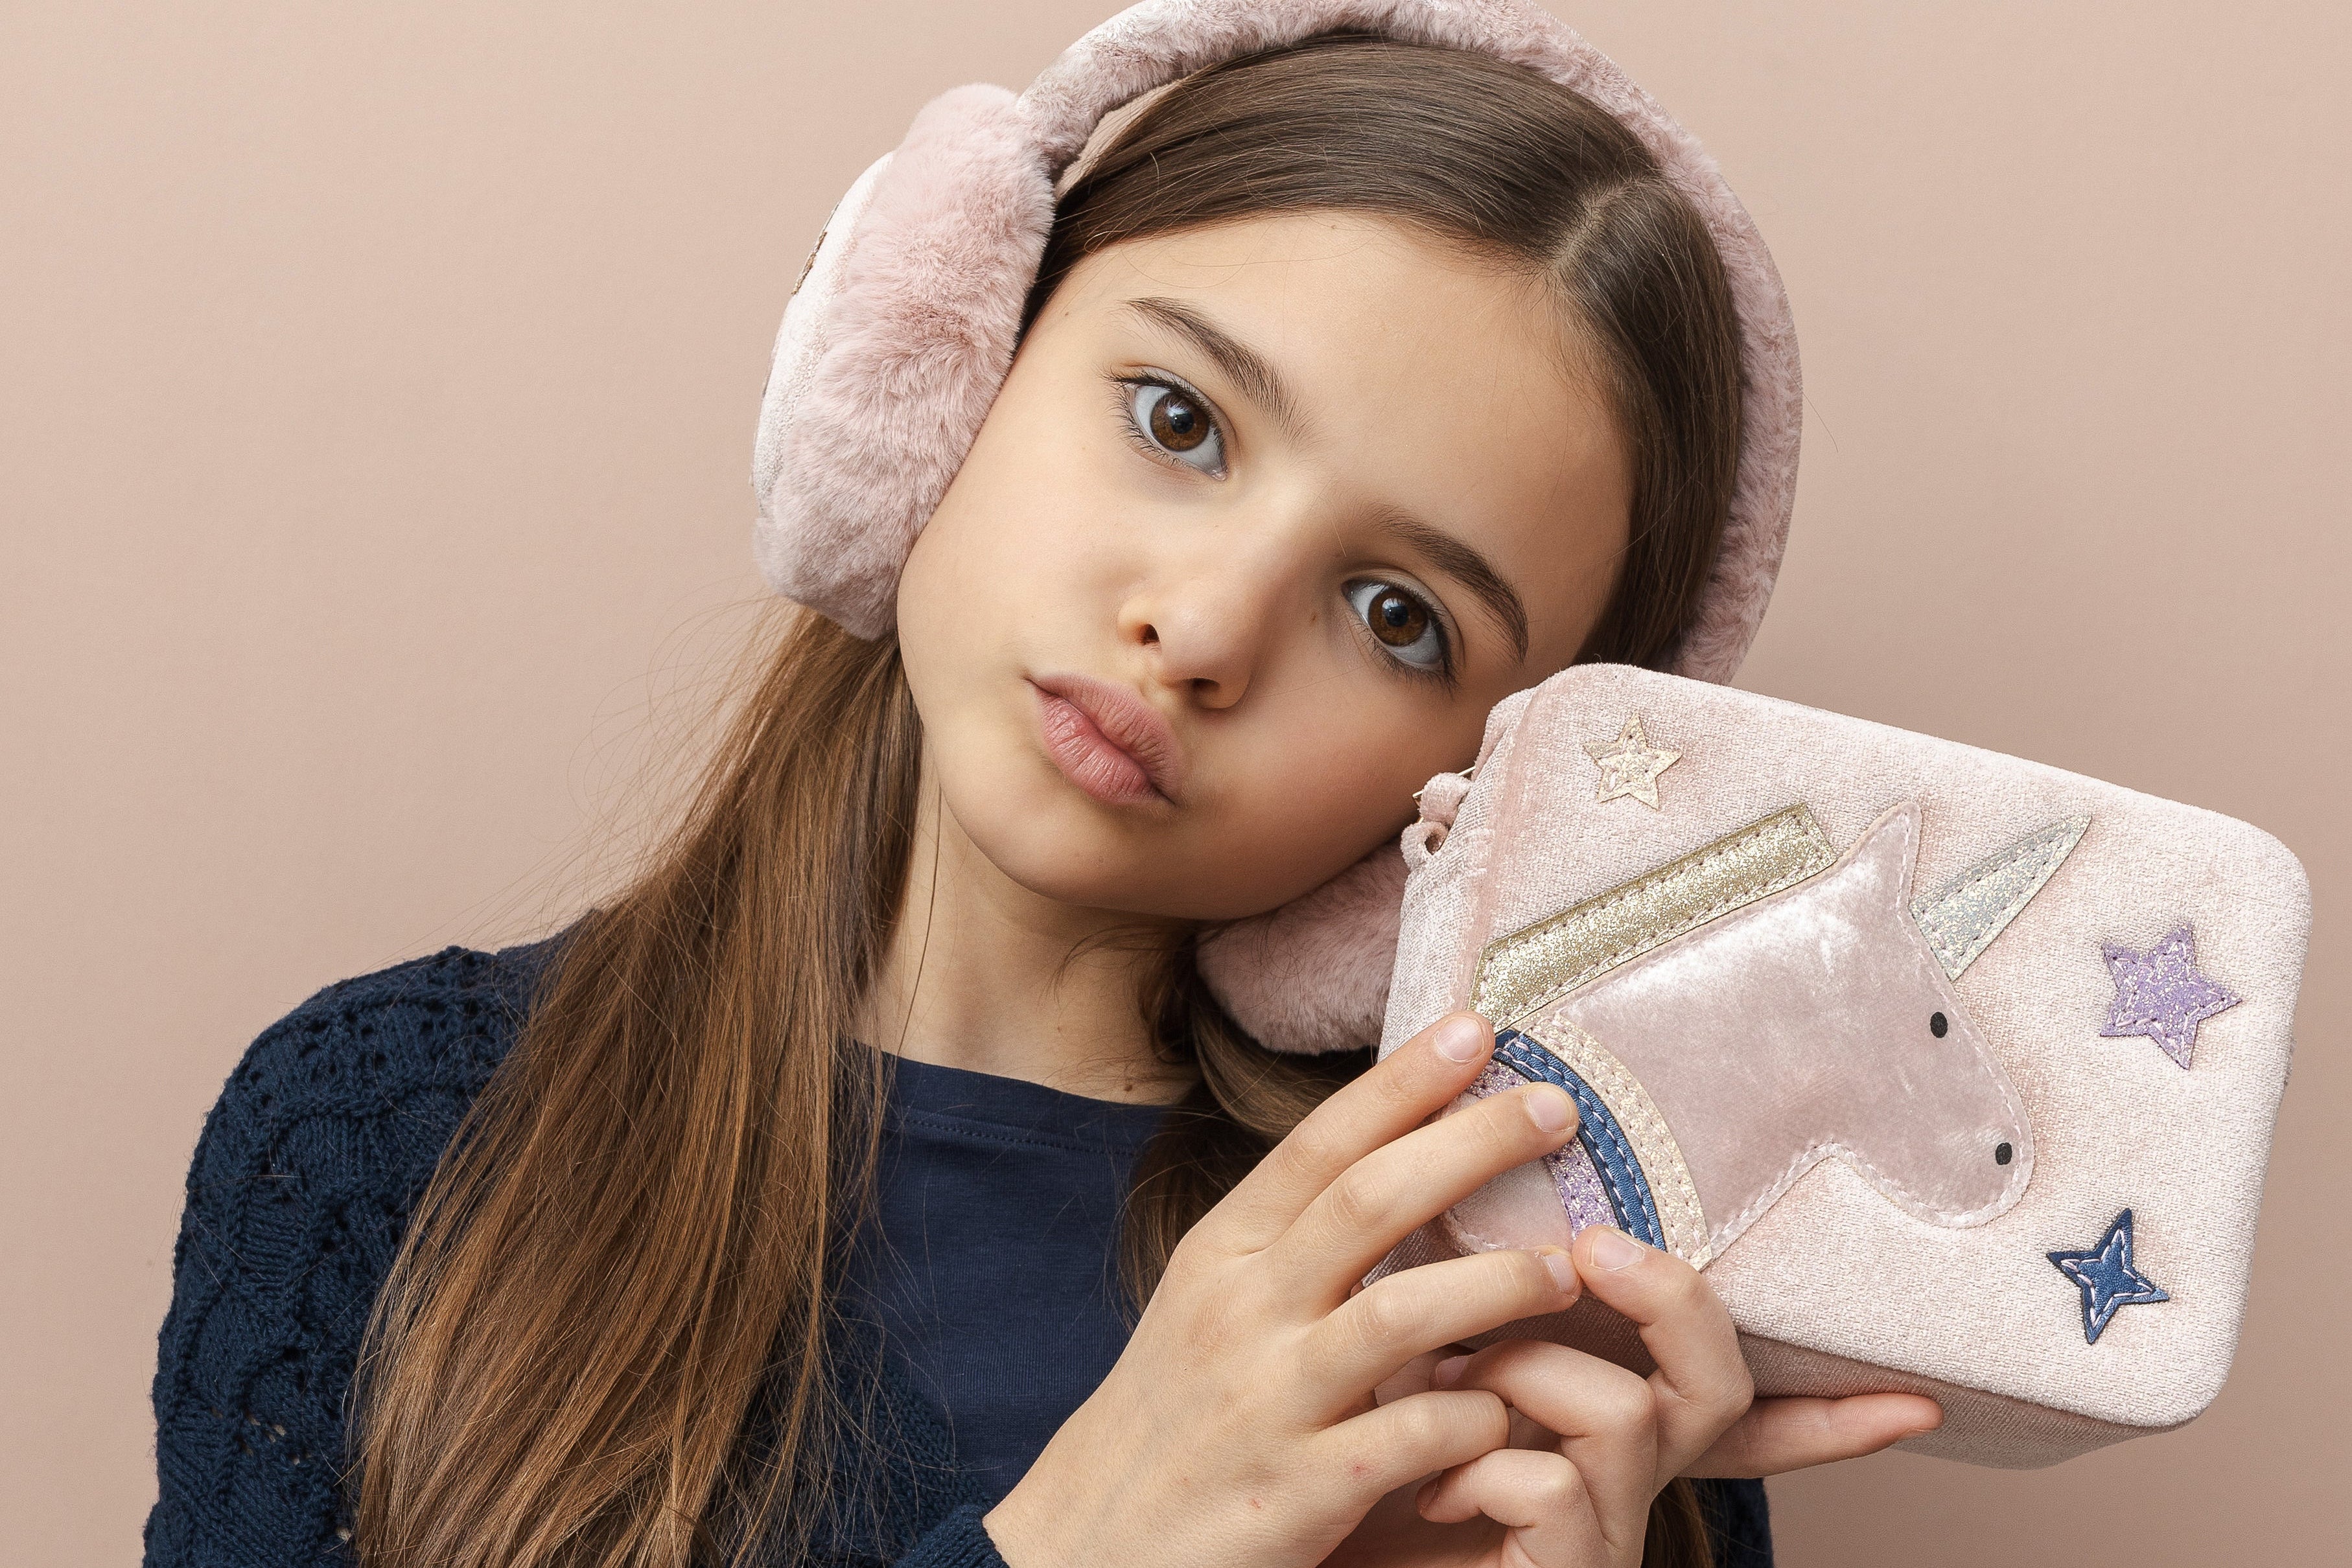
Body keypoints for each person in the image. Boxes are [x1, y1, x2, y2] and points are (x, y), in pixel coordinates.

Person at [145, 8, 1944, 1567]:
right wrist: (1081, 1533)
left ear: (1485, 797)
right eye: (1180, 420)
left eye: (1397, 617)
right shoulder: (384, 1136)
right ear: (943, 359)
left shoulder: (1532, 1320)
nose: (1207, 626)